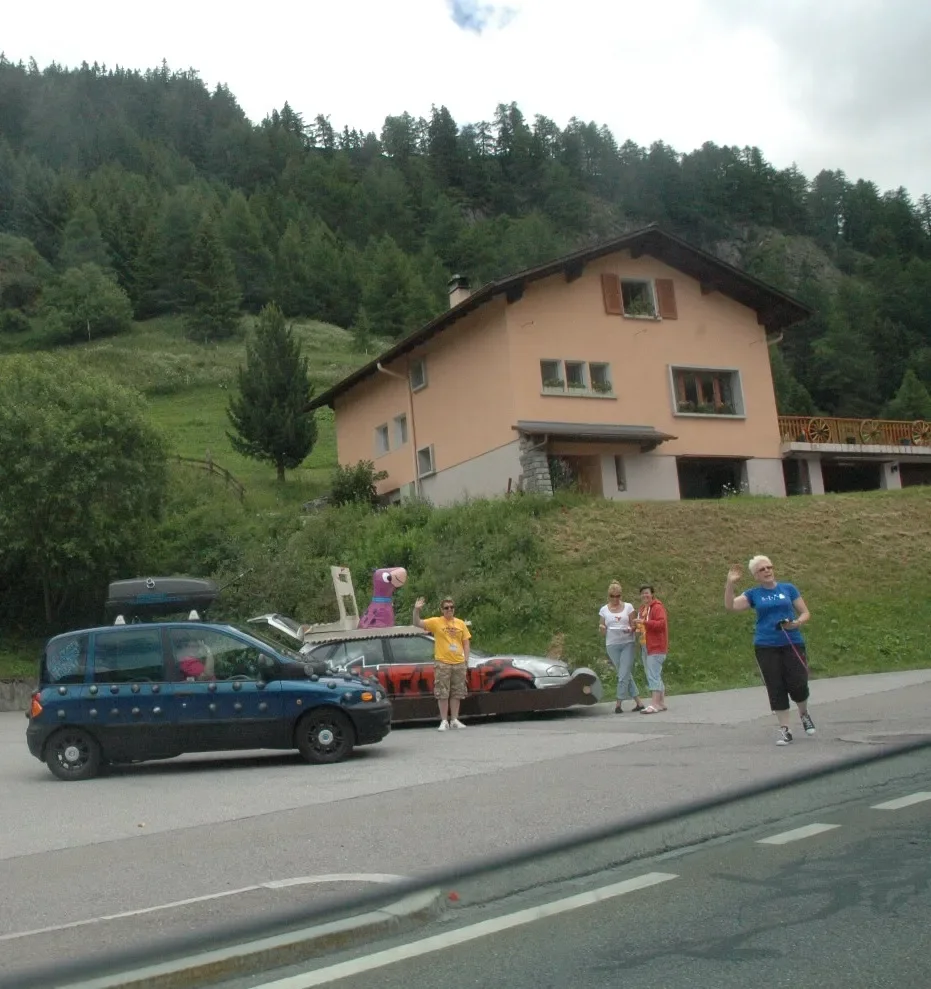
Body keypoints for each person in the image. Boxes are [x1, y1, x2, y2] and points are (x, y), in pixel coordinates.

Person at [724, 555, 816, 745]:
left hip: (792, 641)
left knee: (798, 682)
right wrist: (730, 584)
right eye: (761, 569)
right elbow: (731, 606)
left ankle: (804, 713)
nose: (767, 571)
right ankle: (785, 729)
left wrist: (797, 622)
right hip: (766, 645)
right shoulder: (754, 594)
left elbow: (805, 612)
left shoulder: (788, 589)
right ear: (755, 576)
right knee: (776, 686)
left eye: (769, 567)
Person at [413, 596, 471, 731]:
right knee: (442, 692)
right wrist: (416, 610)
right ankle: (444, 720)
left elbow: (466, 642)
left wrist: (465, 660)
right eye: (446, 608)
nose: (449, 610)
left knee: (457, 692)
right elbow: (417, 623)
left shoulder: (460, 624)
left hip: (458, 662)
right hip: (443, 663)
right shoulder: (436, 622)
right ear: (442, 610)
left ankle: (455, 719)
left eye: (451, 607)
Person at [599, 581, 644, 714]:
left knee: (623, 673)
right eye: (613, 596)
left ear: (621, 595)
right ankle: (639, 702)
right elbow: (602, 628)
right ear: (609, 596)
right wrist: (602, 628)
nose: (615, 599)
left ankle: (618, 702)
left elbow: (634, 625)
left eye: (618, 596)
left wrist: (631, 629)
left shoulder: (628, 607)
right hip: (612, 644)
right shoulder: (604, 610)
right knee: (624, 673)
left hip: (627, 643)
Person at [634, 585, 668, 714]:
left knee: (653, 675)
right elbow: (640, 626)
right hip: (645, 645)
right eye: (642, 594)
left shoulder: (657, 607)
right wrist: (632, 629)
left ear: (652, 594)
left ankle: (654, 704)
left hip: (656, 646)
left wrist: (644, 622)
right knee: (653, 674)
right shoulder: (642, 608)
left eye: (647, 593)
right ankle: (661, 703)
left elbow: (661, 624)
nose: (644, 596)